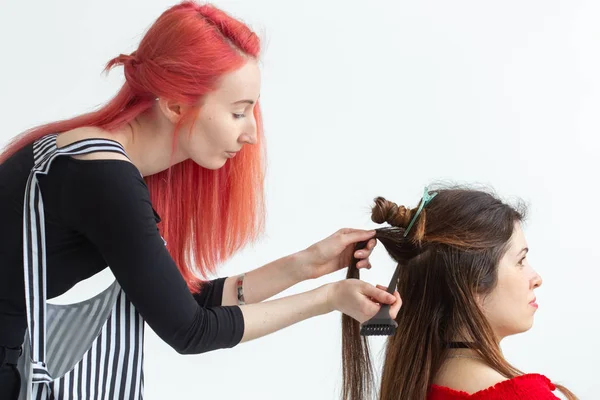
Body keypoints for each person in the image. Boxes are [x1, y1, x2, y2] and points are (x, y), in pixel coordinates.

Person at [0, 2, 401, 398]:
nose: (252, 135)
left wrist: (307, 265)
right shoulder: (104, 178)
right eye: (238, 113)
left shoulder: (93, 158)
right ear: (175, 105)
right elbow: (191, 330)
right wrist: (328, 298)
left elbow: (182, 302)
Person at [341, 187, 577, 400]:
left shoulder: (414, 387)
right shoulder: (524, 397)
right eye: (521, 260)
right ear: (472, 280)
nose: (536, 279)